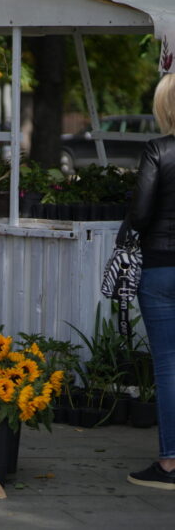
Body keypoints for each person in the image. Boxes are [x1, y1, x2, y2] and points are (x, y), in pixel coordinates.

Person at [127, 73, 175, 490]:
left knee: (168, 366)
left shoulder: (158, 149)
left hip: (160, 267)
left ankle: (169, 463)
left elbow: (140, 213)